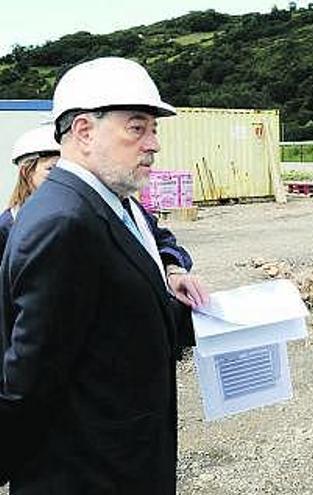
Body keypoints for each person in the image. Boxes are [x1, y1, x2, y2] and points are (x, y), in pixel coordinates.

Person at [0, 57, 206, 493]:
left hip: (123, 461)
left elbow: (111, 325)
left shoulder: (116, 204)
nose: (153, 144)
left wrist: (201, 315)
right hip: (87, 475)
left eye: (154, 130)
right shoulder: (65, 222)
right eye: (137, 127)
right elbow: (28, 381)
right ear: (84, 132)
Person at [1, 124, 199, 302]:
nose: (63, 178)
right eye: (52, 169)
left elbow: (160, 241)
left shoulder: (122, 207)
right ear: (27, 174)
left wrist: (173, 269)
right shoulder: (10, 227)